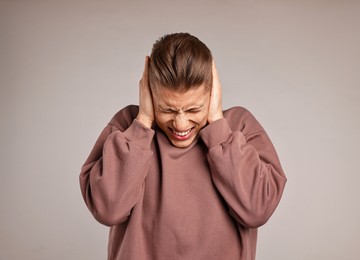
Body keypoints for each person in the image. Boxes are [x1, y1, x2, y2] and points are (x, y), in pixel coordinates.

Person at [79, 32, 287, 260]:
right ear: (148, 93)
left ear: (213, 92)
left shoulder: (239, 126)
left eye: (193, 110)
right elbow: (108, 210)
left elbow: (257, 210)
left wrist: (218, 127)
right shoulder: (128, 128)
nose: (180, 124)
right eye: (167, 110)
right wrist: (143, 123)